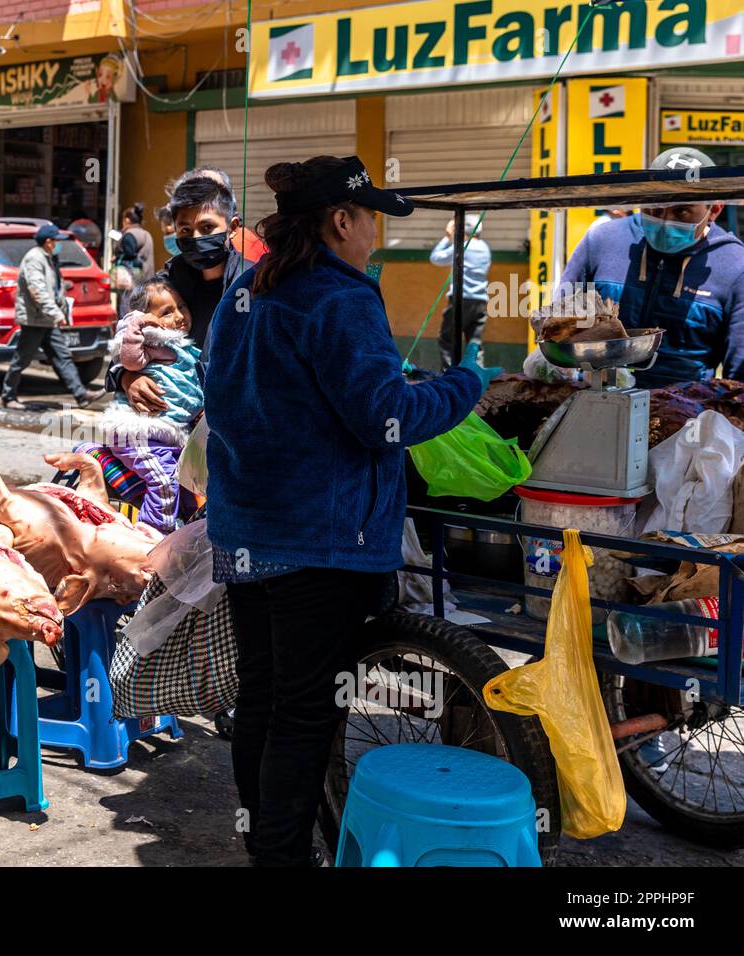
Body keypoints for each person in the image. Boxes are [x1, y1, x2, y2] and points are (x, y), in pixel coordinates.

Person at [204, 155, 495, 866]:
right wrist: (466, 384)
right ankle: (281, 858)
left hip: (249, 532)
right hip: (317, 542)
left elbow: (227, 396)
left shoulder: (248, 290)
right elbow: (384, 417)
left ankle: (264, 847)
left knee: (266, 702)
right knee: (303, 715)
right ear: (341, 221)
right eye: (371, 220)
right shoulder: (340, 296)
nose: (377, 236)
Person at [559, 146, 744, 387]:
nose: (664, 220)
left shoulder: (735, 266)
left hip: (683, 412)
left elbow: (740, 369)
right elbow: (559, 320)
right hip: (595, 397)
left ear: (714, 210)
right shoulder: (601, 240)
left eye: (682, 211)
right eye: (653, 206)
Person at [113, 172, 260, 415]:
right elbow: (128, 330)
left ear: (233, 227)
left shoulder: (254, 283)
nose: (196, 237)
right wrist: (127, 377)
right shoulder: (169, 279)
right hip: (168, 417)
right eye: (185, 230)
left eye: (207, 227)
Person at [100, 278, 203, 532]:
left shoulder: (184, 349)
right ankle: (153, 535)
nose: (179, 316)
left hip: (171, 437)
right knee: (164, 482)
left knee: (186, 487)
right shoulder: (152, 342)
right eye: (167, 312)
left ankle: (180, 530)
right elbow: (130, 360)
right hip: (141, 435)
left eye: (182, 307)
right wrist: (137, 323)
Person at [1, 223, 106, 410]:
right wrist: (56, 313)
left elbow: (54, 287)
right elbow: (37, 290)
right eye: (56, 240)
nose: (58, 244)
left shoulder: (49, 258)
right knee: (22, 359)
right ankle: (8, 396)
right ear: (48, 241)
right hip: (35, 319)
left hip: (47, 319)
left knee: (62, 356)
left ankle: (81, 395)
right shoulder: (34, 259)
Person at [429, 214, 492, 368]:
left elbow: (435, 258)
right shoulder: (485, 248)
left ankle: (449, 376)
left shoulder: (462, 246)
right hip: (480, 301)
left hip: (460, 300)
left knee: (447, 339)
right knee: (474, 343)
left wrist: (447, 237)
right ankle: (477, 377)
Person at [119, 202, 155, 279]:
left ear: (127, 220)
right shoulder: (147, 234)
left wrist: (118, 258)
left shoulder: (129, 235)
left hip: (135, 283)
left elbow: (130, 256)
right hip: (148, 279)